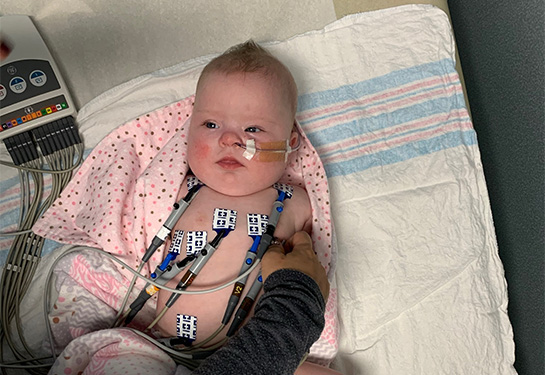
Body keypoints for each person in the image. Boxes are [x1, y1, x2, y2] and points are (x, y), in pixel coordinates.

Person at [151, 41, 340, 374]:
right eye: (210, 125)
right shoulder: (177, 189)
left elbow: (314, 258)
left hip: (267, 350)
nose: (229, 140)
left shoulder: (295, 201)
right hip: (164, 351)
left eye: (253, 129)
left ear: (290, 144)